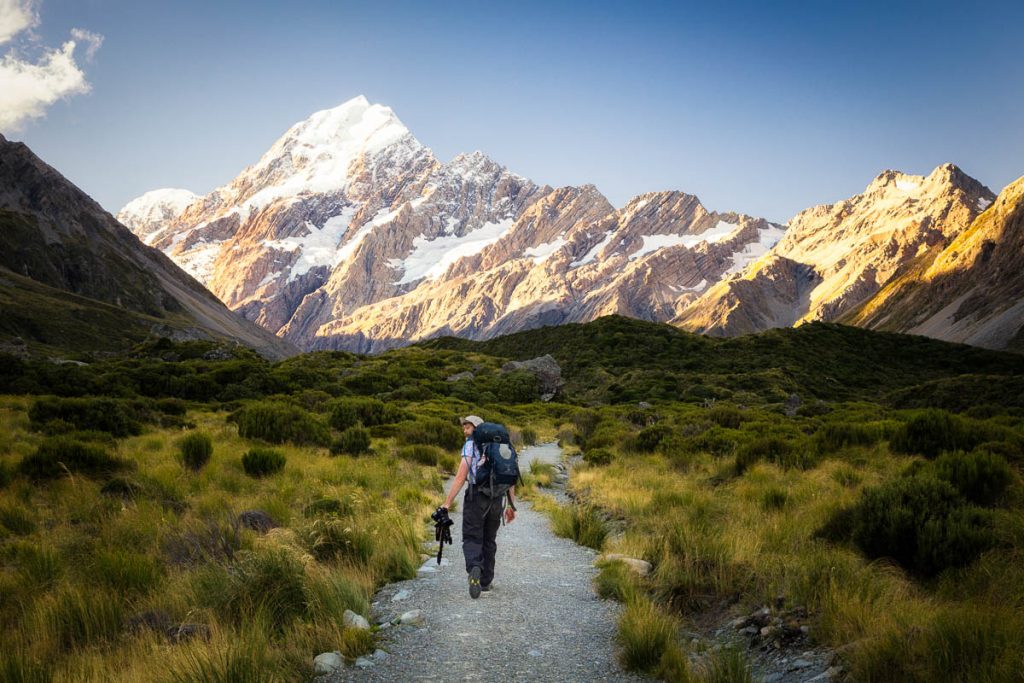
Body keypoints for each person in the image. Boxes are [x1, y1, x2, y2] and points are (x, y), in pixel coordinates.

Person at [440, 415, 516, 598]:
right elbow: (511, 476)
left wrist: (447, 503)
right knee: (489, 539)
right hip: (497, 499)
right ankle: (486, 581)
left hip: (476, 496)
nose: (465, 431)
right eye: (464, 427)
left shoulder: (470, 445)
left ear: (477, 428)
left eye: (467, 427)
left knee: (473, 536)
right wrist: (511, 505)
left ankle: (475, 566)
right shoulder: (503, 445)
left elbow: (460, 477)